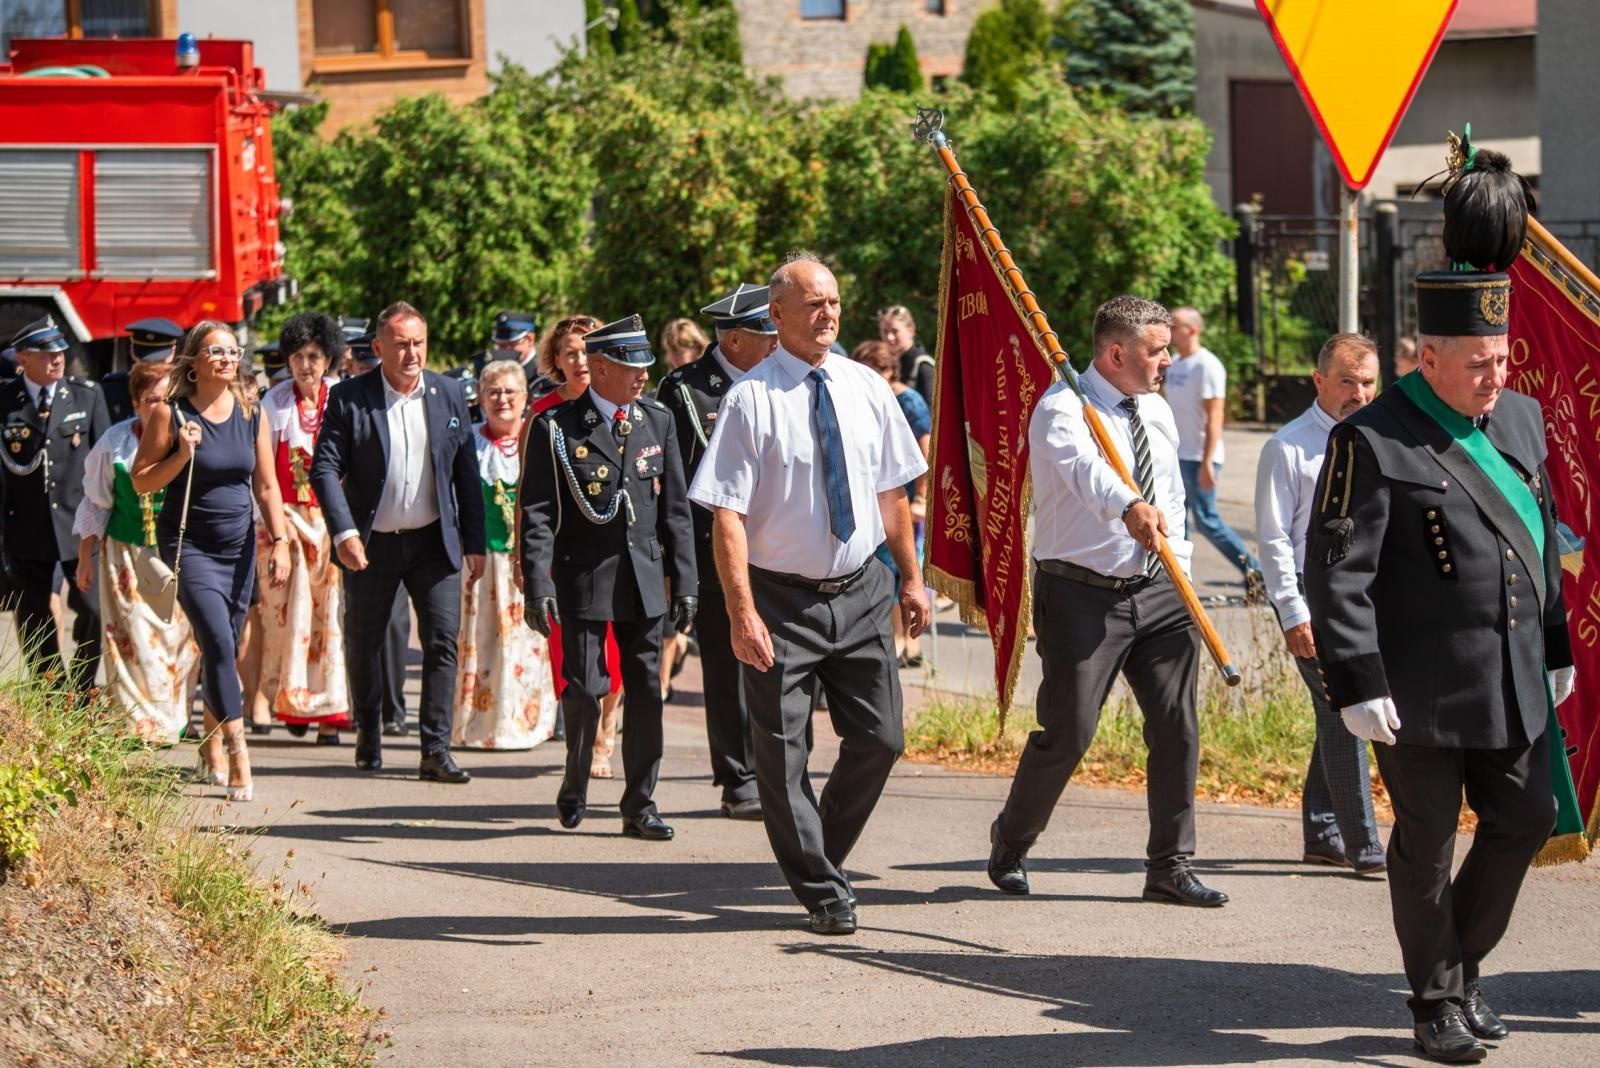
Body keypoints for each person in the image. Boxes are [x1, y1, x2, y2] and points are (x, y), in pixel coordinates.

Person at [1306, 269, 1573, 1062]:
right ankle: (1435, 1003)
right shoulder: (1372, 437)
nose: (1497, 377)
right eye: (1479, 363)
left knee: (1526, 819)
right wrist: (1356, 681)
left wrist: (1556, 644)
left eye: (1504, 358)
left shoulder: (1518, 418)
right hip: (1415, 684)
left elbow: (1540, 541)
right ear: (1429, 359)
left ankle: (1461, 968)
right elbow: (1338, 572)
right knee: (1426, 843)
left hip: (1511, 674)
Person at [690, 253, 928, 935]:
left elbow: (892, 493)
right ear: (777, 315)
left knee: (881, 739)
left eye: (834, 301)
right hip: (780, 601)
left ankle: (817, 852)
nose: (828, 314)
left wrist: (911, 578)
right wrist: (741, 612)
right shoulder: (751, 400)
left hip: (861, 590)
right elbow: (727, 516)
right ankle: (823, 891)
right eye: (813, 304)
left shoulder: (866, 387)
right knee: (783, 754)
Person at [987, 296, 1228, 910]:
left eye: (1169, 348)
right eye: (1157, 350)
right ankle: (1012, 838)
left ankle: (1170, 865)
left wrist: (1182, 572)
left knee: (1176, 726)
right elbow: (1085, 473)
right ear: (1116, 353)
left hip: (1161, 588)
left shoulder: (1157, 409)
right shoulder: (1062, 409)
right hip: (1081, 595)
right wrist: (1128, 506)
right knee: (1071, 731)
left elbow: (1171, 498)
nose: (1169, 360)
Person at [520, 314, 696, 838]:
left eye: (645, 364)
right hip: (584, 577)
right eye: (630, 365)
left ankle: (640, 804)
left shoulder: (657, 420)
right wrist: (538, 584)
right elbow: (537, 513)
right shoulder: (556, 427)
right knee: (584, 688)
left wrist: (685, 582)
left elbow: (677, 511)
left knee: (646, 689)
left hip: (644, 579)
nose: (643, 375)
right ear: (599, 368)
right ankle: (575, 779)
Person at [310, 301, 486, 783]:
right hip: (371, 544)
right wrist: (344, 532)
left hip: (434, 541)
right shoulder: (349, 397)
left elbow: (466, 472)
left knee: (442, 641)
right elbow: (324, 468)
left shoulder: (449, 394)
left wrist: (475, 540)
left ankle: (435, 749)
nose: (412, 354)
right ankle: (369, 729)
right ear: (378, 347)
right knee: (364, 641)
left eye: (419, 343)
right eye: (402, 344)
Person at [131, 321, 293, 801]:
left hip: (239, 547)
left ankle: (211, 744)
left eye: (232, 351)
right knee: (220, 642)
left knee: (225, 646)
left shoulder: (251, 413)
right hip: (189, 546)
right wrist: (182, 454)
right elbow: (141, 480)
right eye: (216, 351)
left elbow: (267, 485)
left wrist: (280, 541)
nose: (226, 359)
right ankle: (239, 752)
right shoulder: (171, 413)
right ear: (194, 361)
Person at [1254, 333, 1385, 874]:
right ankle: (1363, 843)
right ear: (1319, 381)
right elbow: (1272, 540)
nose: (1359, 393)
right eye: (1347, 381)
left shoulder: (1381, 438)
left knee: (1336, 709)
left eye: (1368, 382)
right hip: (1312, 598)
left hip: (1366, 598)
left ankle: (1322, 830)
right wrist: (1293, 612)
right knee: (1344, 708)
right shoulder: (1288, 447)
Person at [657, 283, 778, 820]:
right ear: (733, 340)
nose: (776, 343)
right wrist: (674, 564)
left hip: (780, 550)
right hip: (713, 554)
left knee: (782, 667)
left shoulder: (782, 379)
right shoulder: (684, 390)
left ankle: (781, 775)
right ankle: (739, 780)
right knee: (729, 672)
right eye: (766, 335)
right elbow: (669, 486)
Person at [72, 361, 198, 744]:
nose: (160, 407)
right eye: (151, 400)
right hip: (125, 554)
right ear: (135, 402)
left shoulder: (189, 437)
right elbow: (95, 503)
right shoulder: (116, 441)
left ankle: (176, 716)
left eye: (168, 399)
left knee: (180, 638)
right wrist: (84, 558)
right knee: (130, 639)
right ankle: (137, 724)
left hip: (176, 553)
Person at [528, 314, 621, 761]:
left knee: (616, 650)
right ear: (556, 360)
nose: (581, 360)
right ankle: (583, 733)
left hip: (617, 552)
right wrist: (524, 561)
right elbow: (529, 496)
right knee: (568, 649)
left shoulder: (624, 405)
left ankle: (607, 727)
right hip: (561, 555)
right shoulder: (542, 414)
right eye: (571, 353)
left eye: (588, 351)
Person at [255, 313, 351, 744]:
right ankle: (293, 701)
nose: (305, 365)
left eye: (314, 356)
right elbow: (263, 475)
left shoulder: (343, 398)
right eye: (297, 356)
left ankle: (330, 711)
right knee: (285, 618)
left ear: (328, 358)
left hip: (333, 521)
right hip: (285, 522)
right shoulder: (273, 404)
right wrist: (279, 528)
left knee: (331, 619)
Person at [452, 359, 557, 749]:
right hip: (481, 560)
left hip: (528, 561)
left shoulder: (538, 438)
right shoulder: (469, 443)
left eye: (510, 391)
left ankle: (523, 725)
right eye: (493, 392)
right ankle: (476, 726)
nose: (502, 399)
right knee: (481, 640)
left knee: (526, 643)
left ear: (525, 396)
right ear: (481, 398)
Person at [0, 314, 108, 690]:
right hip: (25, 525)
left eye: (61, 351)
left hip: (80, 526)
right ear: (23, 358)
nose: (58, 359)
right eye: (47, 354)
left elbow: (104, 464)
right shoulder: (5, 401)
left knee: (94, 610)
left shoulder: (87, 395)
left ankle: (83, 685)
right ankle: (51, 692)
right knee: (34, 616)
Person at [1164, 306, 1263, 596]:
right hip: (1177, 456)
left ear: (1193, 330)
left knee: (1207, 521)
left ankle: (1255, 572)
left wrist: (1208, 461)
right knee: (1177, 523)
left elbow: (1215, 415)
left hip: (1200, 458)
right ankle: (1179, 585)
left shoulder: (1207, 365)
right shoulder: (1175, 363)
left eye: (1175, 325)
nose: (1170, 331)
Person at [849, 339, 931, 666]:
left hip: (903, 498)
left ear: (888, 370)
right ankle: (903, 643)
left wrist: (921, 498)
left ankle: (904, 643)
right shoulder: (864, 398)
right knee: (889, 571)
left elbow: (925, 451)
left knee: (901, 569)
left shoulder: (908, 401)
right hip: (877, 497)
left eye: (873, 371)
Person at [102, 318, 182, 424]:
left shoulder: (185, 389)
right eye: (145, 361)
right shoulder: (110, 389)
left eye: (159, 361)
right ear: (172, 352)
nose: (151, 368)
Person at [878, 304, 933, 408]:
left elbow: (933, 412)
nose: (889, 337)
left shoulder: (924, 366)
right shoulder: (884, 363)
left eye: (895, 331)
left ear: (911, 330)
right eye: (885, 332)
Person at [490, 311, 541, 387]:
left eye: (512, 344)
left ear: (530, 339)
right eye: (501, 345)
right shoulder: (492, 371)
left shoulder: (544, 374)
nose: (506, 350)